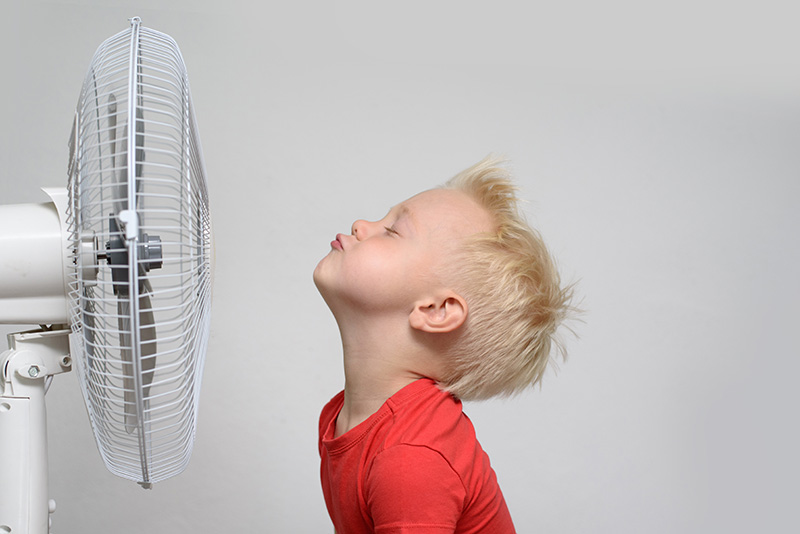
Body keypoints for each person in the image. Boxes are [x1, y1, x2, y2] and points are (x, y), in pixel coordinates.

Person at [313, 155, 575, 533]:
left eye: (392, 230)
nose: (362, 225)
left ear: (436, 310)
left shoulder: (410, 457)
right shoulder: (342, 419)